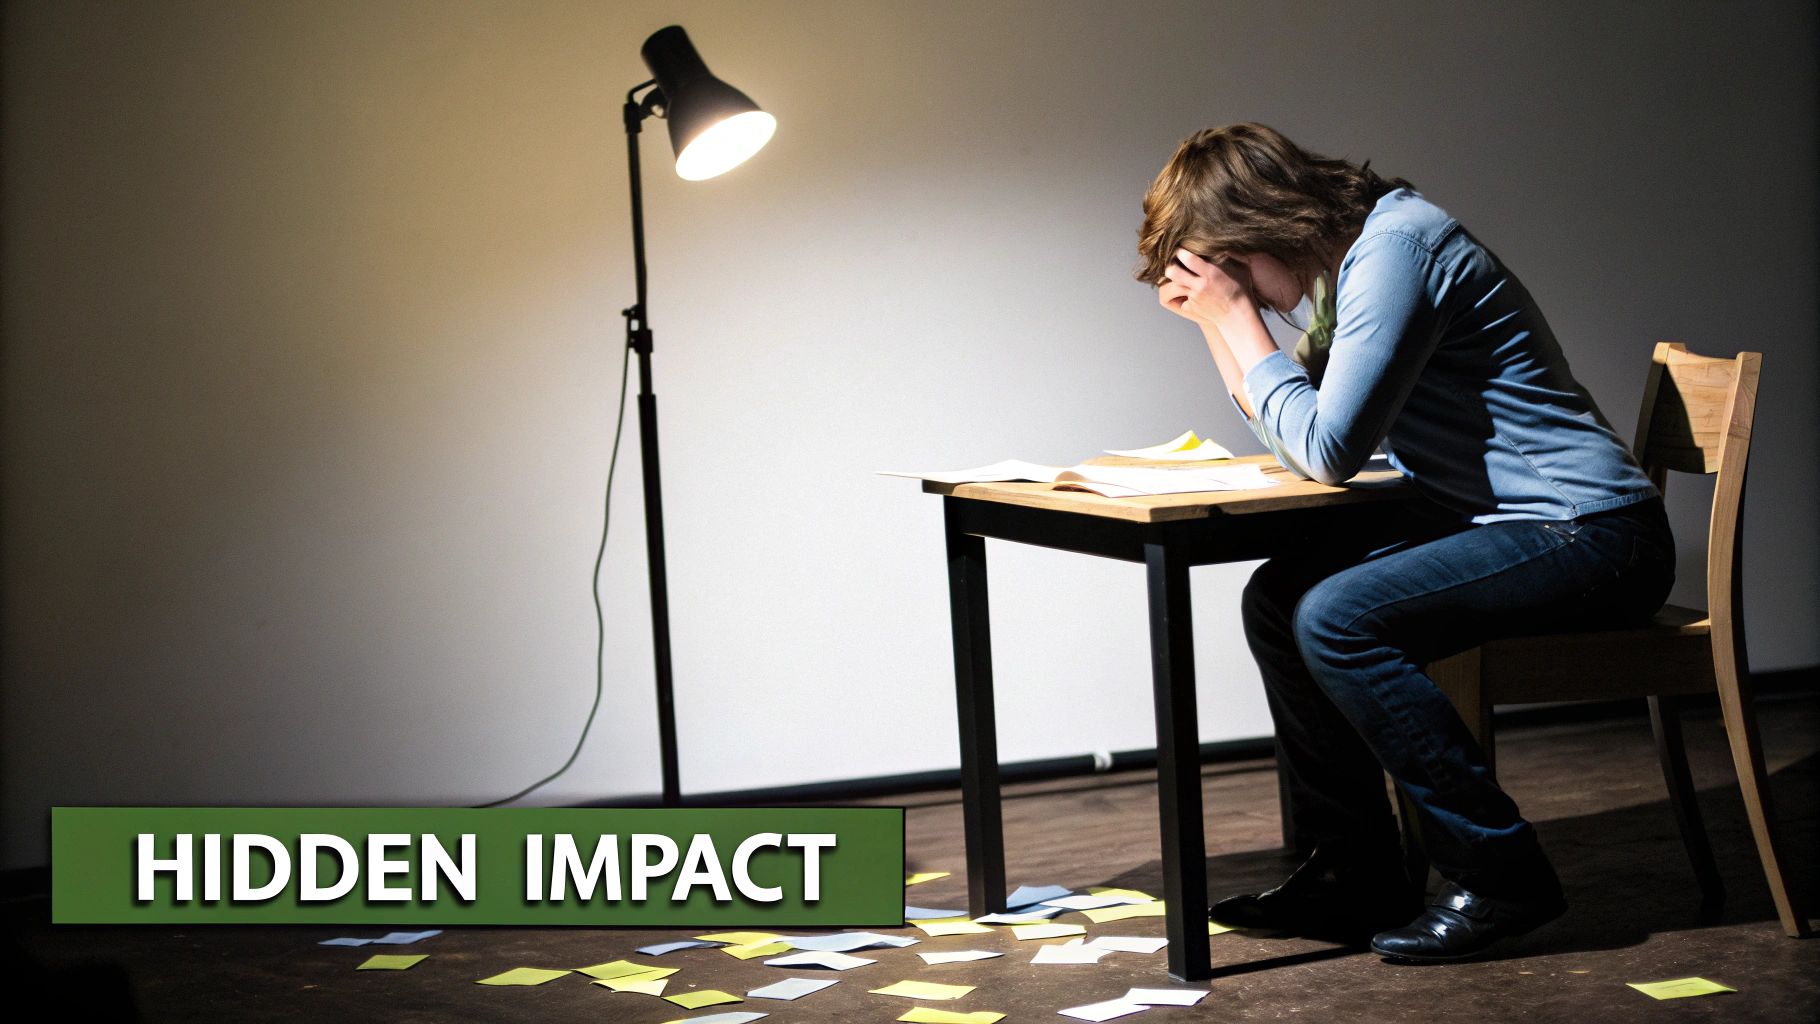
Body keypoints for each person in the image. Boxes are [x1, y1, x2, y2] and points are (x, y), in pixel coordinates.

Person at [1136, 123, 1676, 962]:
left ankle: (1504, 875)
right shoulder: (1354, 264)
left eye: (1232, 273)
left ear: (1264, 229)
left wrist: (1241, 322)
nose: (1262, 300)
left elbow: (1327, 452)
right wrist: (1220, 324)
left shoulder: (1397, 252)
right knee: (1280, 601)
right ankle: (1355, 873)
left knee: (1339, 619)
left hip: (1593, 534)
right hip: (1507, 523)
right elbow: (1301, 429)